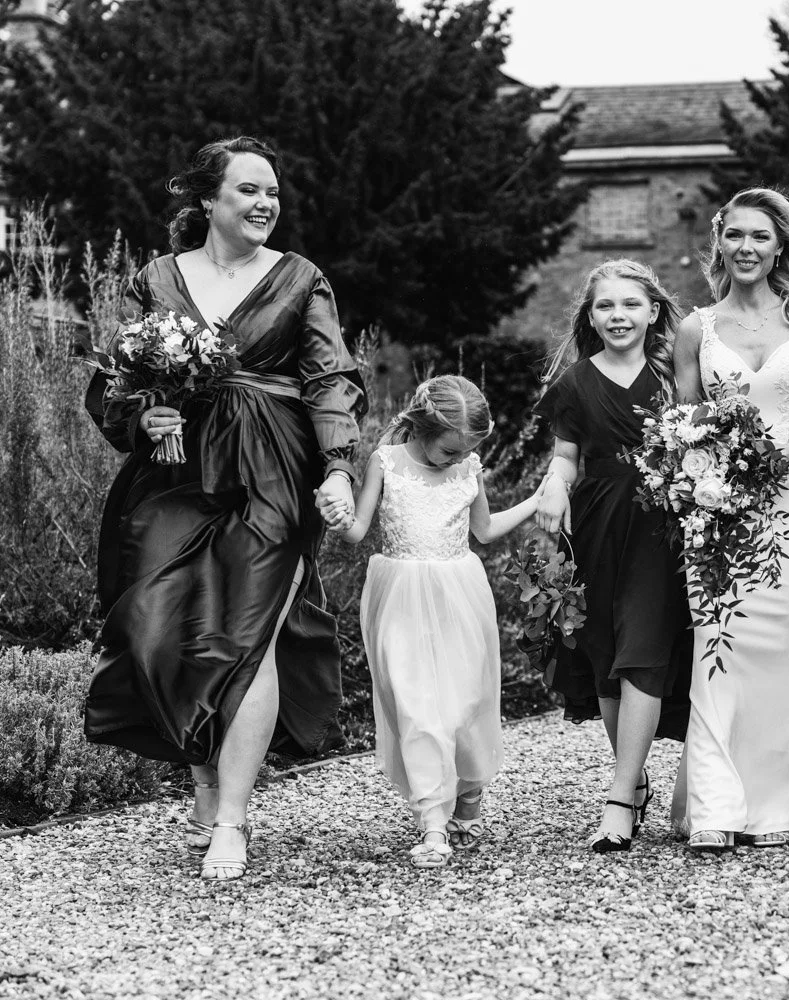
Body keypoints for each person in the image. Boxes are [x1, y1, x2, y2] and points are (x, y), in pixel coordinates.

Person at [83, 136, 365, 880]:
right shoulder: (155, 278)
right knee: (156, 629)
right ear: (208, 201)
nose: (265, 202)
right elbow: (114, 375)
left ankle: (233, 821)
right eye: (247, 190)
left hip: (272, 470)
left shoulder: (301, 279)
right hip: (173, 473)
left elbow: (331, 378)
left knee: (249, 637)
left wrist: (337, 466)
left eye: (272, 191)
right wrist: (145, 416)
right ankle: (206, 778)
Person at [669, 188, 789, 851]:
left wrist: (781, 454)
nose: (746, 247)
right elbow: (681, 418)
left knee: (772, 643)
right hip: (715, 502)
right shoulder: (697, 328)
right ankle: (715, 804)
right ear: (720, 243)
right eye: (735, 235)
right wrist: (701, 476)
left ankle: (776, 805)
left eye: (760, 237)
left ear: (780, 248)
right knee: (717, 639)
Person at [322, 376, 532, 868]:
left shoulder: (469, 467)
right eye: (448, 451)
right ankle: (432, 823)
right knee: (417, 705)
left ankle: (469, 786)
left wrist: (535, 500)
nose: (456, 461)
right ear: (420, 426)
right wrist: (336, 512)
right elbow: (356, 532)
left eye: (465, 452)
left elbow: (483, 530)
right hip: (400, 597)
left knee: (463, 701)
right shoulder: (386, 462)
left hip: (460, 593)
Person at [535, 259, 691, 853]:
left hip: (659, 529)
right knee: (604, 657)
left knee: (643, 651)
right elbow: (566, 456)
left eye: (631, 305)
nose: (618, 315)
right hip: (596, 526)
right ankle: (635, 776)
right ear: (591, 317)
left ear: (653, 312)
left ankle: (620, 798)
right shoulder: (574, 384)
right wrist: (553, 483)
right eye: (606, 306)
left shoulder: (676, 376)